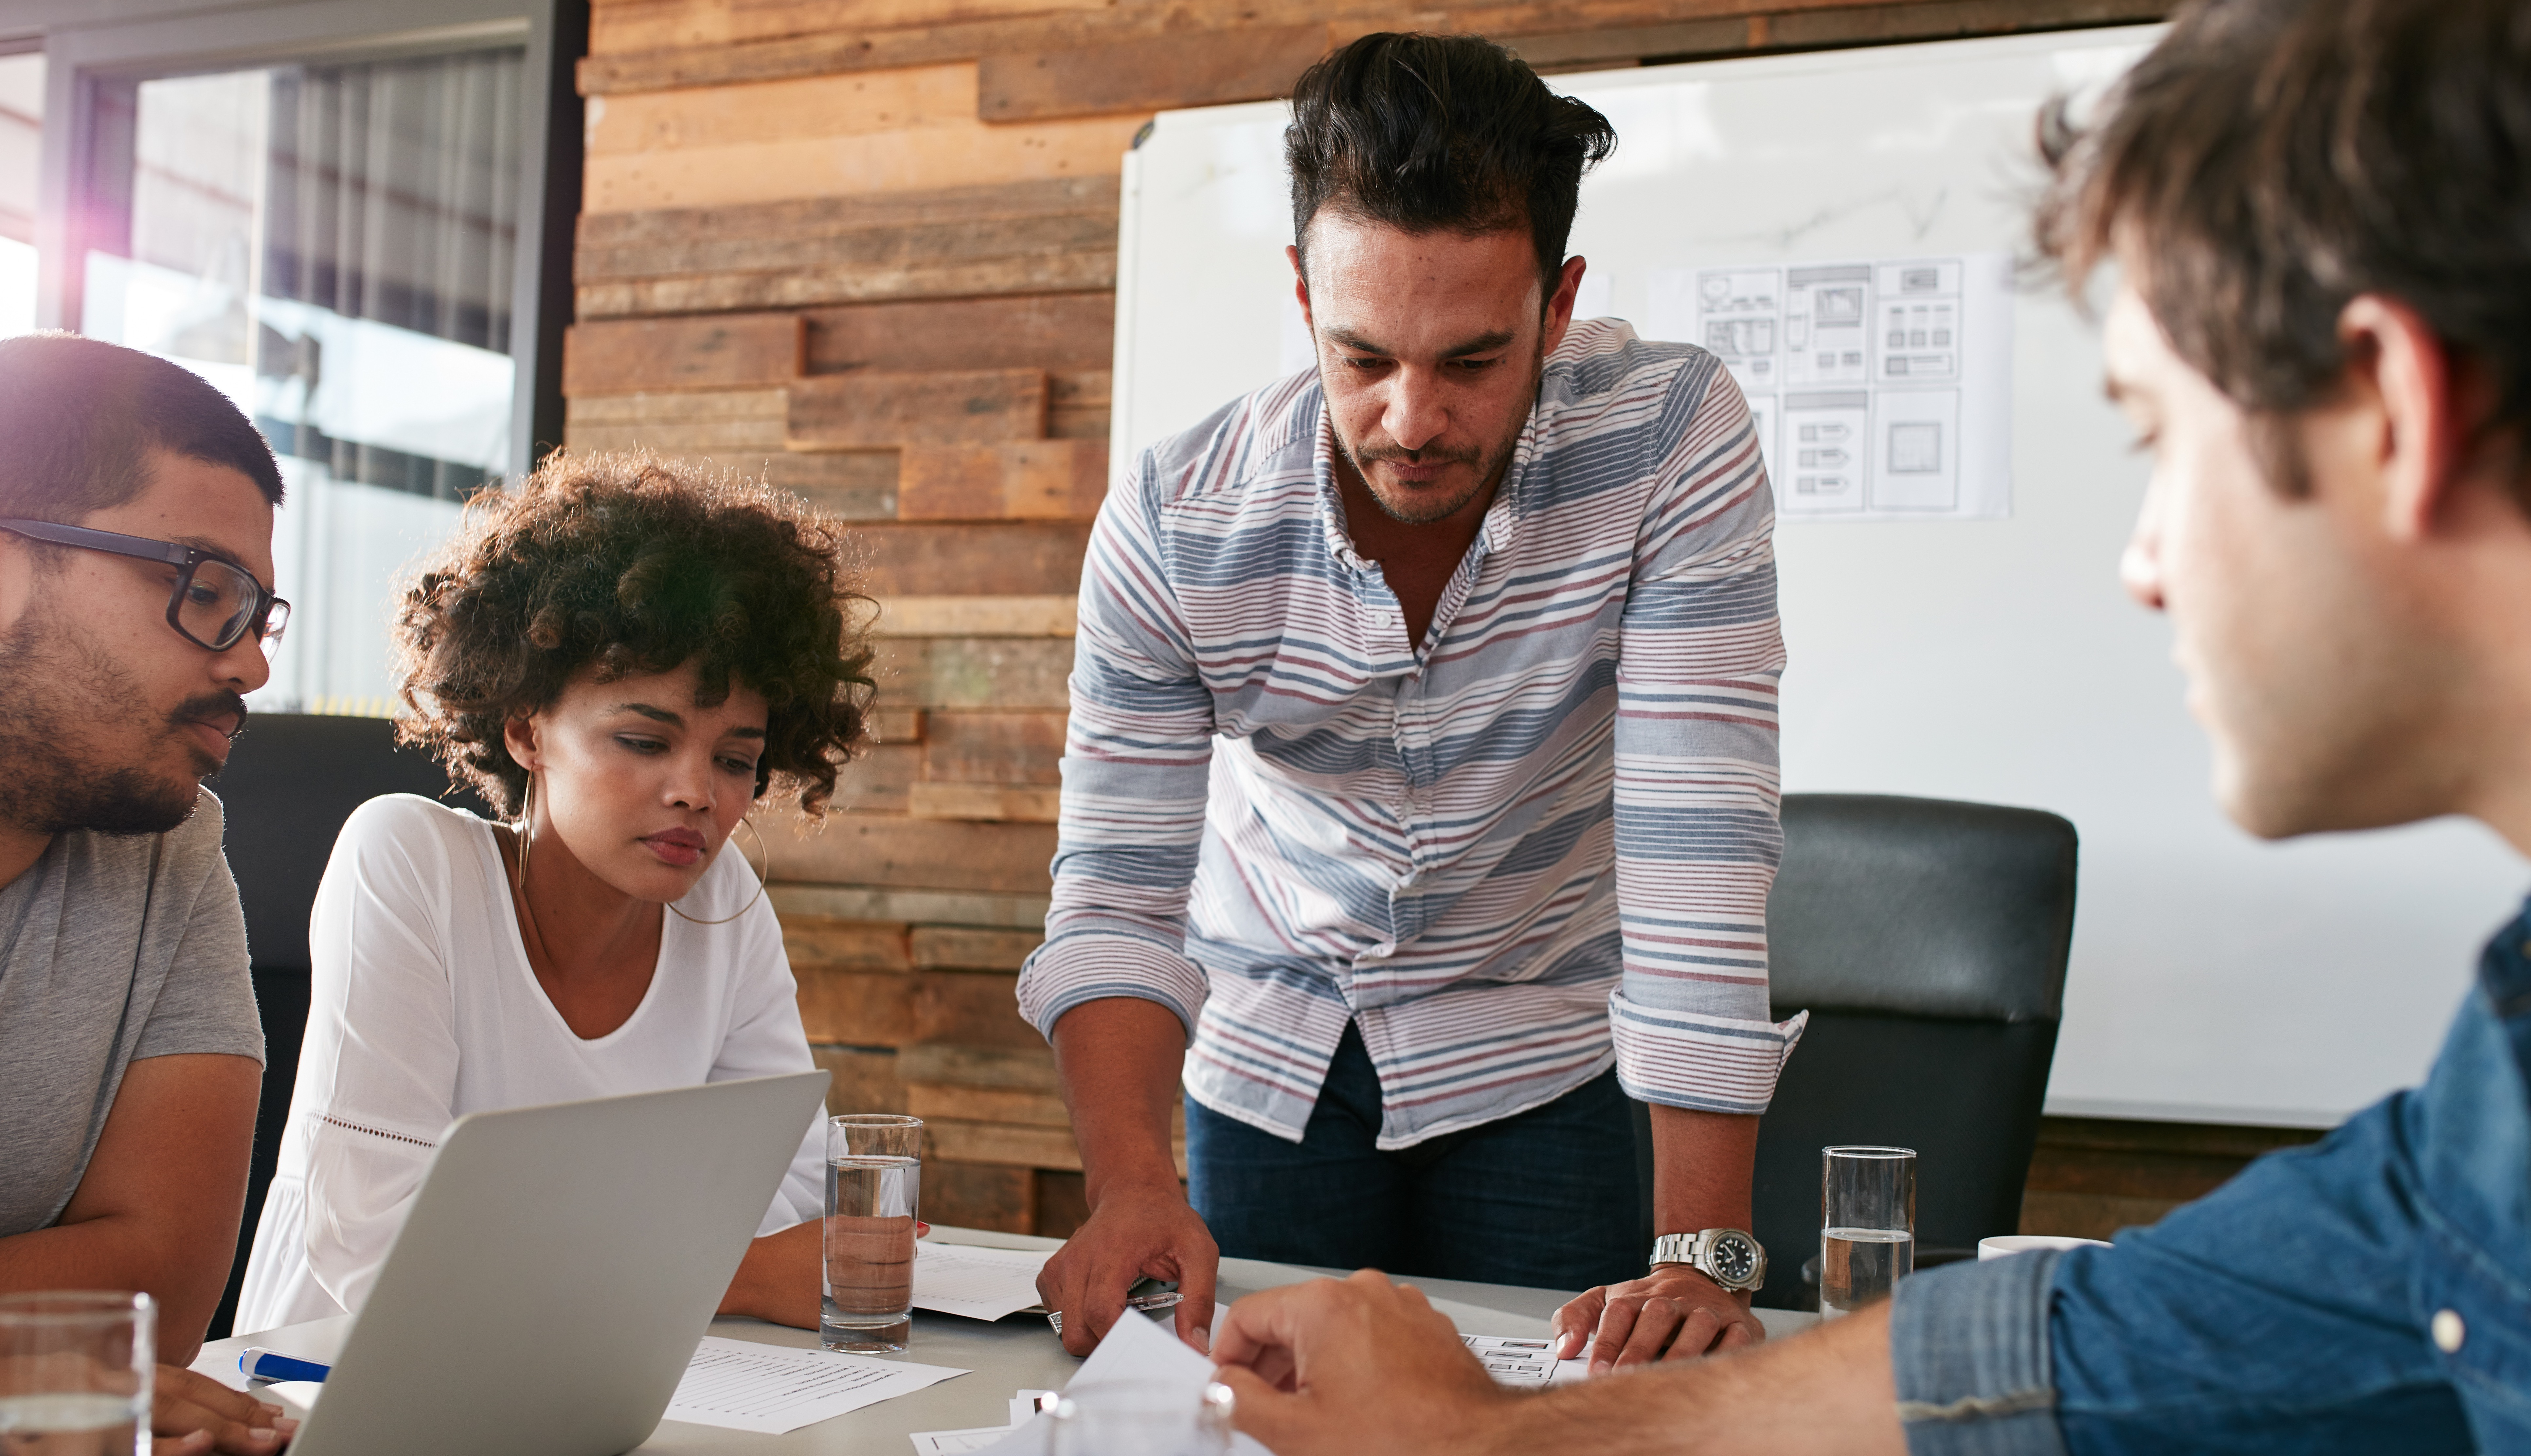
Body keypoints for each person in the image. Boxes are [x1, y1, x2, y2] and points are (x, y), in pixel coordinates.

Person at [1207, 0, 2531, 1451]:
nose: (2140, 568)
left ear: (2392, 414)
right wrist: (1499, 1437)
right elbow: (2088, 1344)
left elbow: (1692, 834)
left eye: (2158, 436)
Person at [1025, 31, 1804, 1360]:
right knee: (1265, 1426)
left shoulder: (1669, 439)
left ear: (1555, 312)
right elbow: (1115, 888)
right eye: (1364, 356)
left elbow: (1696, 848)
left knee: (1543, 1429)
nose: (1409, 418)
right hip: (1270, 1049)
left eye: (1470, 360)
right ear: (1300, 294)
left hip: (1536, 1044)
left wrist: (1699, 1257)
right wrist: (1130, 1186)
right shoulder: (1177, 520)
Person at [233, 452, 882, 1334]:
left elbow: (797, 1191)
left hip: (613, 1368)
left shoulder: (722, 900)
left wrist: (602, 1252)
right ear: (526, 728)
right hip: (332, 1386)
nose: (700, 791)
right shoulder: (409, 860)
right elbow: (384, 1247)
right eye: (645, 741)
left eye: (736, 759)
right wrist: (737, 1274)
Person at [0, 333, 301, 1453]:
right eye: (203, 587)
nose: (250, 664)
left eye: (256, 610)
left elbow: (158, 1297)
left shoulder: (168, 844)